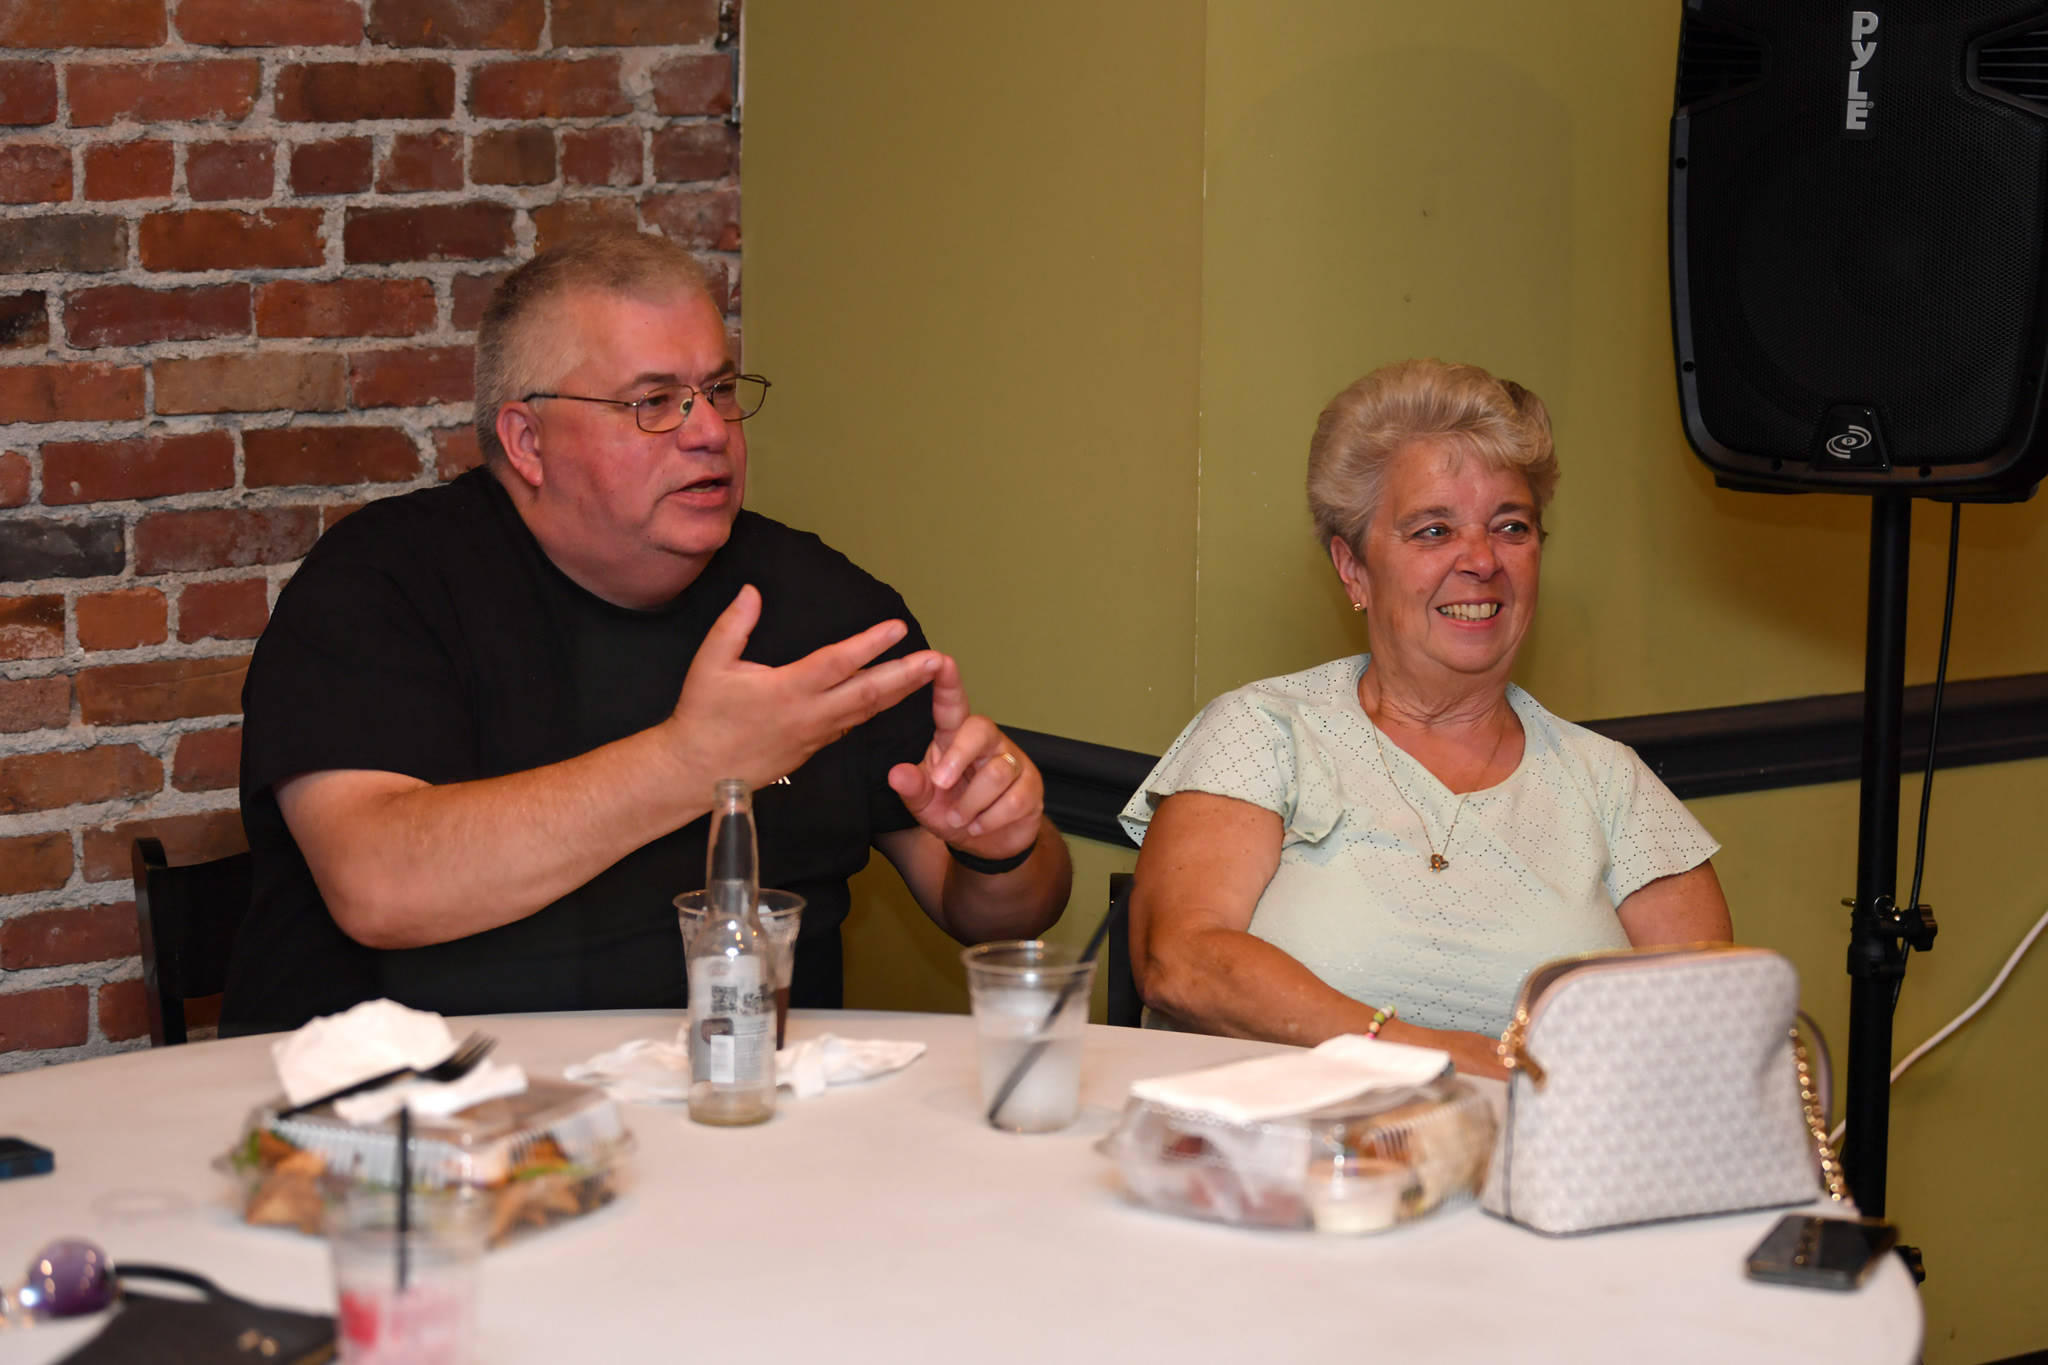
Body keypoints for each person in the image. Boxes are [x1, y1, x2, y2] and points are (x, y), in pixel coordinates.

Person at [221, 231, 1071, 1031]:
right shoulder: (384, 584)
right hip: (427, 1110)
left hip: (760, 1107)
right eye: (655, 402)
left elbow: (994, 907)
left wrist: (1002, 847)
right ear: (527, 441)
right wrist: (690, 762)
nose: (709, 432)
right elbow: (379, 884)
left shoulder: (822, 604)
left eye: (721, 391)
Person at [1118, 358, 1729, 1076]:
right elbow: (1182, 961)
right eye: (1434, 531)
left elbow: (1717, 1034)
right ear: (1353, 569)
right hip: (1275, 1144)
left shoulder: (1612, 784)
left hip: (1538, 1150)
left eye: (1511, 526)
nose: (1482, 560)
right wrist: (1439, 1056)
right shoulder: (1263, 730)